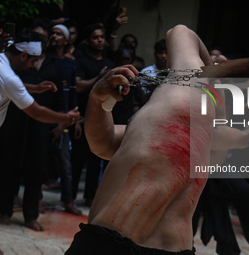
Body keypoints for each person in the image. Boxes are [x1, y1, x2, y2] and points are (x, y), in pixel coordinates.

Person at [66, 24, 215, 254]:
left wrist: (213, 69)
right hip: (138, 244)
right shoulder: (159, 126)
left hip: (118, 241)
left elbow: (180, 32)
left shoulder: (184, 102)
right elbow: (103, 143)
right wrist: (97, 99)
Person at [0, 29, 79, 231]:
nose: (32, 65)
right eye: (31, 61)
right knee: (8, 169)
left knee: (35, 168)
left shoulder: (1, 59)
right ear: (24, 55)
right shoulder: (10, 76)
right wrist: (68, 118)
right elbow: (37, 112)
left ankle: (29, 215)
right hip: (16, 124)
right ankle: (4, 213)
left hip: (37, 132)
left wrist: (34, 88)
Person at [72, 23, 115, 206]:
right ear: (88, 40)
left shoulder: (109, 63)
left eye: (102, 37)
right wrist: (98, 78)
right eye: (96, 37)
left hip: (102, 118)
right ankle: (70, 198)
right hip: (82, 118)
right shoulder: (81, 61)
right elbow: (79, 86)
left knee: (96, 160)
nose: (100, 40)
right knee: (78, 160)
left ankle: (90, 197)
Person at [48, 24, 82, 215]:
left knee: (65, 163)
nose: (54, 36)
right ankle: (35, 200)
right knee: (41, 161)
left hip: (65, 118)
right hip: (43, 115)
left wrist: (75, 120)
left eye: (59, 34)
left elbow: (73, 94)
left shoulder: (69, 64)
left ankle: (68, 200)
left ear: (66, 40)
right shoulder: (44, 61)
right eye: (53, 33)